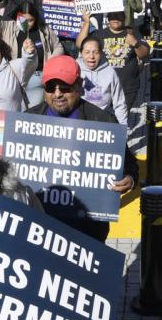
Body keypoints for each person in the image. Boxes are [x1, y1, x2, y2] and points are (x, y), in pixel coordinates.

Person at [22, 55, 137, 241]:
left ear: (80, 85)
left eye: (65, 87)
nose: (57, 94)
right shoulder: (26, 121)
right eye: (51, 87)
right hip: (41, 229)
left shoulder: (103, 121)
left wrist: (129, 179)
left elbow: (129, 163)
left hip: (86, 231)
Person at [75, 10, 149, 119]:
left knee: (121, 117)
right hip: (104, 88)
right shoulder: (100, 34)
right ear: (108, 18)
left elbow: (144, 54)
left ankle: (122, 132)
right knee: (102, 118)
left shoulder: (133, 33)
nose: (115, 18)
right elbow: (80, 44)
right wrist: (86, 22)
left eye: (119, 15)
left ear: (124, 17)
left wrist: (135, 43)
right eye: (112, 16)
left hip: (127, 87)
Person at [76, 37, 128, 124]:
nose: (91, 56)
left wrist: (122, 128)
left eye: (95, 52)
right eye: (87, 52)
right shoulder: (74, 69)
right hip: (79, 120)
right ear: (81, 53)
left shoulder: (110, 72)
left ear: (100, 53)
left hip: (103, 120)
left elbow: (119, 103)